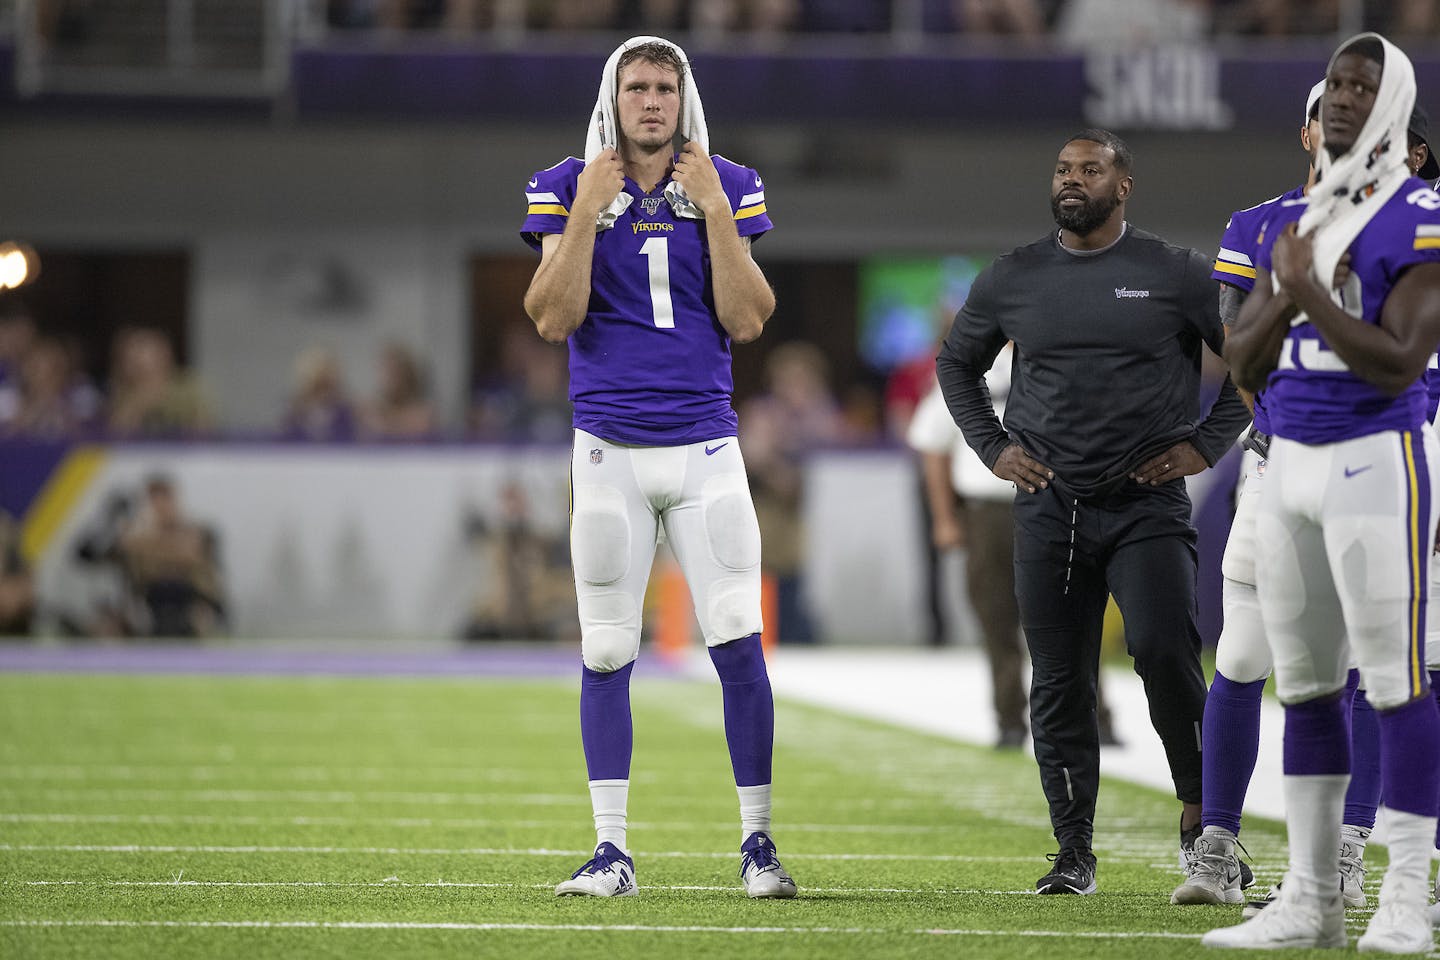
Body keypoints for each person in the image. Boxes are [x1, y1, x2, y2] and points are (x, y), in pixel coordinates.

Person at [936, 128, 1252, 896]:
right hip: (1049, 507)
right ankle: (1072, 849)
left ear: (1124, 185)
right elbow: (956, 362)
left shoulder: (1174, 272)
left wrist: (1207, 446)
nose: (1071, 180)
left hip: (1146, 505)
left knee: (1165, 654)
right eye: (1062, 170)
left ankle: (1202, 823)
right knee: (1059, 679)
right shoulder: (1014, 276)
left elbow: (1250, 359)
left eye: (1089, 170)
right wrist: (992, 449)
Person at [520, 36, 795, 899]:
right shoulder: (568, 183)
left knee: (738, 643)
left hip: (708, 449)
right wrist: (583, 215)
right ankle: (611, 851)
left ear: (685, 99)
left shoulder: (730, 181)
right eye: (636, 87)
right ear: (614, 95)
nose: (650, 102)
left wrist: (714, 210)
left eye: (663, 89)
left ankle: (758, 846)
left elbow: (748, 321)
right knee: (605, 649)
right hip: (607, 450)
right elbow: (550, 319)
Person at [1204, 33, 1440, 953]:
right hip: (1285, 460)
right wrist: (1288, 283)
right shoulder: (1282, 220)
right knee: (1302, 687)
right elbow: (1241, 357)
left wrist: (1310, 290)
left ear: (1394, 104)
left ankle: (1407, 899)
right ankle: (1311, 899)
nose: (1342, 97)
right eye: (1335, 83)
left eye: (1362, 85)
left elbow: (1397, 361)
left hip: (1376, 454)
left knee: (1395, 682)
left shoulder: (1422, 210)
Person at [907, 344, 1122, 750]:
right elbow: (933, 442)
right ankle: (1009, 719)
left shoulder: (1063, 360)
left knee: (1074, 612)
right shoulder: (967, 368)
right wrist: (945, 517)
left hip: (1054, 500)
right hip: (988, 509)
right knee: (996, 616)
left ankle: (1095, 717)